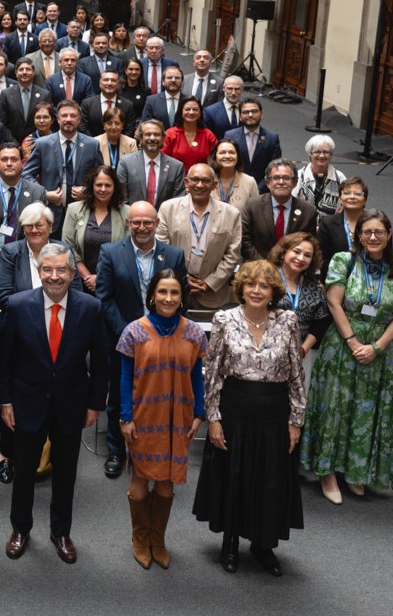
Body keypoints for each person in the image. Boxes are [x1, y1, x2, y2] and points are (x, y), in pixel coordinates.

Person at [0, 241, 109, 564]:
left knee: (66, 474)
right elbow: (6, 360)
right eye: (48, 269)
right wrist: (5, 401)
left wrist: (94, 404)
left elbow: (100, 362)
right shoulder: (18, 305)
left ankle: (61, 532)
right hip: (26, 401)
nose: (54, 276)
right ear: (39, 271)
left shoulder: (90, 308)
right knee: (24, 471)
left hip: (71, 404)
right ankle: (20, 529)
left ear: (73, 273)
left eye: (62, 270)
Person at [192, 260, 306, 577]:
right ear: (241, 288)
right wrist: (212, 418)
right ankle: (230, 542)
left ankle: (262, 544)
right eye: (251, 284)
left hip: (274, 411)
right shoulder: (224, 319)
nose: (257, 290)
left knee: (270, 480)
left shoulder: (289, 320)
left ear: (273, 291)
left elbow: (297, 373)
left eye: (264, 285)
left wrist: (296, 420)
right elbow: (212, 373)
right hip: (235, 409)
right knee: (235, 476)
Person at [300, 210, 393, 501]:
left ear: (389, 235)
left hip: (380, 350)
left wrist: (377, 346)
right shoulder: (343, 261)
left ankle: (356, 470)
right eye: (367, 232)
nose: (373, 237)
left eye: (379, 232)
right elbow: (334, 303)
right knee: (335, 407)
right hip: (342, 345)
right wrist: (353, 342)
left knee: (367, 409)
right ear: (358, 236)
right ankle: (327, 475)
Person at [116, 269, 206, 569]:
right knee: (140, 477)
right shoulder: (134, 331)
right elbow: (125, 377)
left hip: (179, 417)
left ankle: (158, 539)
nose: (168, 298)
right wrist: (125, 417)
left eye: (175, 293)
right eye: (163, 292)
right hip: (144, 416)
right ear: (152, 296)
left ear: (182, 298)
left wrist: (198, 413)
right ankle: (140, 539)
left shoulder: (193, 332)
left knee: (167, 481)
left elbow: (197, 375)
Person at [94, 202, 187, 478]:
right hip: (122, 337)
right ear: (127, 223)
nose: (142, 227)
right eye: (136, 222)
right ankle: (115, 451)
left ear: (157, 222)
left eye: (147, 222)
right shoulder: (110, 252)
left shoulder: (174, 255)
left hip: (163, 340)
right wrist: (128, 334)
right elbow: (104, 297)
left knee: (158, 396)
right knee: (119, 396)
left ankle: (155, 450)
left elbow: (181, 301)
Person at [156, 163, 242, 314]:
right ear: (186, 182)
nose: (200, 185)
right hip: (174, 292)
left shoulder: (231, 214)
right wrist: (183, 277)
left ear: (214, 184)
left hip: (213, 294)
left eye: (206, 181)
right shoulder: (168, 208)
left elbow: (233, 254)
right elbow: (161, 247)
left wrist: (210, 282)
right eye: (195, 179)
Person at [24, 99, 100, 212]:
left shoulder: (92, 145)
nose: (68, 119)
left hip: (82, 211)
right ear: (58, 119)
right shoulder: (42, 144)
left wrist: (88, 190)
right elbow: (26, 175)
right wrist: (44, 193)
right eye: (64, 115)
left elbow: (101, 176)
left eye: (73, 116)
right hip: (50, 211)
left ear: (79, 120)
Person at [61, 164, 126, 295]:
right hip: (80, 283)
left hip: (115, 282)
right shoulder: (74, 209)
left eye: (108, 185)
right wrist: (87, 277)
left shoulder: (126, 212)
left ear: (115, 188)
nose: (103, 189)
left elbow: (127, 250)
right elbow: (68, 246)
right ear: (91, 186)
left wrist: (101, 278)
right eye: (99, 185)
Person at [268, 232, 330, 367]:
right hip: (266, 352)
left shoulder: (314, 286)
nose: (301, 258)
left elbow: (320, 323)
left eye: (307, 255)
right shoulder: (267, 279)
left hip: (300, 355)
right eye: (296, 251)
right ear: (283, 253)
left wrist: (302, 350)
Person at [241, 159, 319, 261]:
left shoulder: (308, 212)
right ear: (268, 182)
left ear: (295, 182)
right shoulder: (252, 205)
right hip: (258, 269)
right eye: (276, 178)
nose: (281, 182)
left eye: (286, 178)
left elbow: (310, 245)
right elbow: (245, 242)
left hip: (293, 269)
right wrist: (265, 267)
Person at [117, 120, 184, 208]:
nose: (152, 138)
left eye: (156, 134)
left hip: (164, 220)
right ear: (141, 138)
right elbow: (122, 199)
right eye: (148, 134)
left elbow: (178, 202)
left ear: (163, 138)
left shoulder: (176, 167)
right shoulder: (126, 163)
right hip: (133, 219)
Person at [223, 98, 281, 190]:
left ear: (261, 114)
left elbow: (274, 168)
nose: (250, 115)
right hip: (234, 187)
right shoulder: (230, 136)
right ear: (240, 116)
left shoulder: (272, 138)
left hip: (262, 191)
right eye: (246, 112)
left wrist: (257, 189)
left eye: (254, 111)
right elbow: (225, 164)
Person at [318, 176, 367, 266]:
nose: (352, 197)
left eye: (357, 194)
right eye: (347, 193)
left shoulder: (374, 222)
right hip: (336, 276)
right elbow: (322, 258)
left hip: (369, 275)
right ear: (340, 198)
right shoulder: (328, 223)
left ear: (365, 200)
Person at [294, 135, 346, 219]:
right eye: (317, 152)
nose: (321, 156)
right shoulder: (298, 176)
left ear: (331, 155)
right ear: (310, 154)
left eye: (326, 152)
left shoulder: (340, 178)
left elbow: (343, 208)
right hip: (302, 227)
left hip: (329, 229)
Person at [161, 97, 217, 169]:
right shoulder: (170, 134)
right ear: (181, 111)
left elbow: (214, 160)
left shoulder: (208, 135)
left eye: (195, 110)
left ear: (200, 113)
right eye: (187, 109)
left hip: (201, 178)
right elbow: (163, 160)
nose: (191, 112)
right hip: (175, 178)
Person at [210, 138, 256, 217]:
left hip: (240, 228)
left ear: (237, 156)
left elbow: (255, 213)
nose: (227, 156)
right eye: (222, 152)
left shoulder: (249, 182)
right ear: (215, 156)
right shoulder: (207, 180)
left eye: (231, 152)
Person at [91, 104, 136, 171]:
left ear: (122, 125)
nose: (113, 127)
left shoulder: (131, 143)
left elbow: (134, 169)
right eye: (109, 123)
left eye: (117, 123)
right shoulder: (95, 142)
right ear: (104, 125)